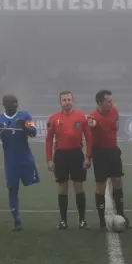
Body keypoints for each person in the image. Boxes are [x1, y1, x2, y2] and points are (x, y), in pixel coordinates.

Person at [45, 91, 93, 229]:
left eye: (69, 100)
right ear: (60, 102)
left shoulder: (81, 117)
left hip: (77, 155)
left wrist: (88, 156)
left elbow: (89, 138)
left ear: (73, 101)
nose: (67, 102)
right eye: (64, 100)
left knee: (79, 187)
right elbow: (49, 140)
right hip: (60, 156)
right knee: (62, 188)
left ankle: (82, 220)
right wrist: (49, 159)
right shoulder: (54, 118)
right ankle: (63, 221)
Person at [0, 94, 39, 231]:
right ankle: (16, 219)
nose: (15, 105)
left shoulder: (25, 116)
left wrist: (25, 127)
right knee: (12, 189)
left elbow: (33, 132)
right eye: (12, 102)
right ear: (4, 104)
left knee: (31, 184)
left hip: (26, 159)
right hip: (10, 162)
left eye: (16, 102)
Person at [89, 89, 129, 230]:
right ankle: (101, 221)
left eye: (111, 101)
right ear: (100, 103)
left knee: (117, 181)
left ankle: (121, 215)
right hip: (100, 153)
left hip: (113, 151)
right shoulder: (94, 117)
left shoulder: (114, 111)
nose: (111, 104)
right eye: (108, 101)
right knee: (100, 186)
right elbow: (91, 127)